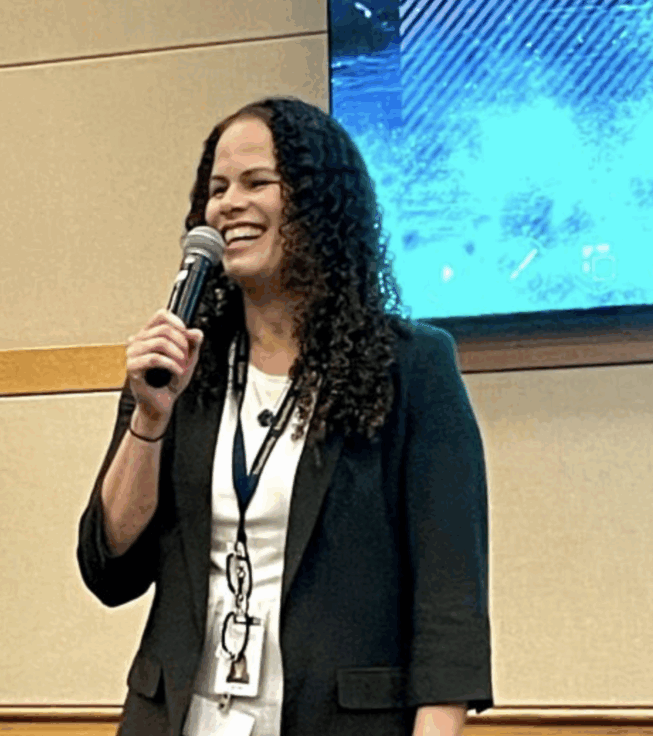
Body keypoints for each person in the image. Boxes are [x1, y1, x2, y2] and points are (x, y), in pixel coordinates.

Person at [77, 97, 492, 736]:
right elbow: (109, 569)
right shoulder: (180, 366)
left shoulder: (410, 368)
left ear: (320, 202)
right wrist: (150, 420)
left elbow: (450, 608)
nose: (228, 205)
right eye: (217, 189)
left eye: (256, 182)